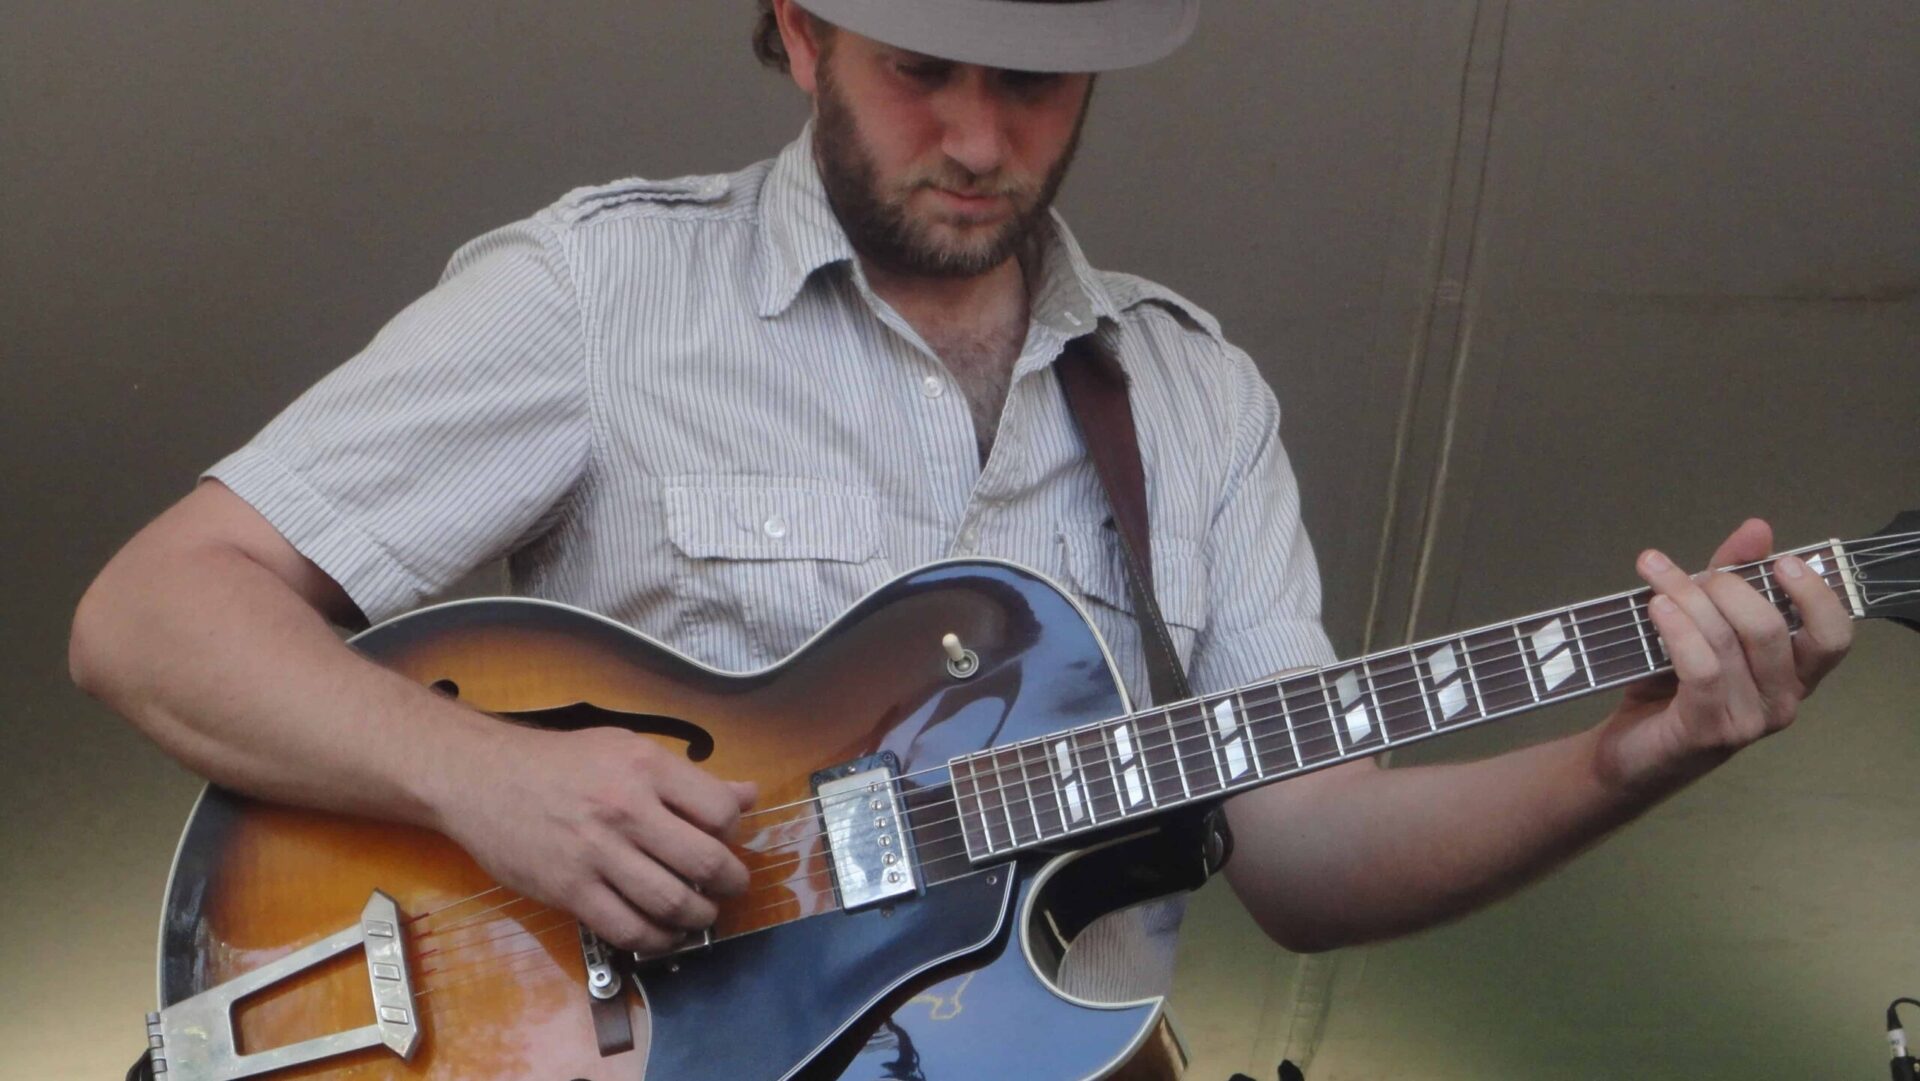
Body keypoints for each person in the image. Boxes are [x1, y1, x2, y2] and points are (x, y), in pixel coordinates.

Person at [69, 0, 1853, 1022]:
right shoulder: (601, 297)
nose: (983, 137)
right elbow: (155, 614)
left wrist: (1640, 756)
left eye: (1036, 81)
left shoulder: (1188, 396)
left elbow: (1303, 855)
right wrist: (493, 781)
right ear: (793, 29)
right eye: (923, 63)